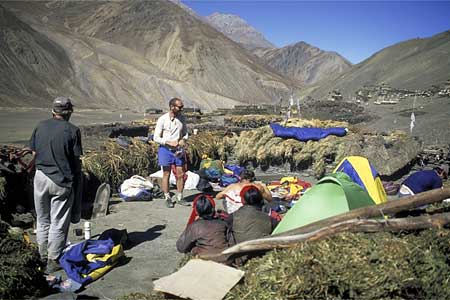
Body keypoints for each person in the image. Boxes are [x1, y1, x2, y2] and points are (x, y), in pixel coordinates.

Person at [30, 97, 83, 273]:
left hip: (40, 177)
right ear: (70, 113)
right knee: (58, 223)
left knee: (42, 219)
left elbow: (34, 151)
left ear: (53, 111)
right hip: (61, 181)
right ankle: (53, 260)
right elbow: (76, 161)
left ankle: (41, 256)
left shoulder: (40, 126)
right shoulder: (73, 130)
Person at [153, 97, 189, 208]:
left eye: (182, 106)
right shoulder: (162, 119)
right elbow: (156, 137)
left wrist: (184, 139)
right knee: (166, 173)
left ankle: (180, 197)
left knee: (180, 173)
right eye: (179, 107)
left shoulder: (182, 119)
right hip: (165, 149)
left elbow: (186, 133)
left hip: (178, 149)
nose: (181, 109)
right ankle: (167, 197)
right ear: (172, 107)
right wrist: (168, 142)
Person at [176, 195, 229, 260]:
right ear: (213, 209)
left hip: (205, 260)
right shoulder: (222, 222)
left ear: (197, 212)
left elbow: (181, 247)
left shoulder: (195, 226)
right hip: (226, 259)